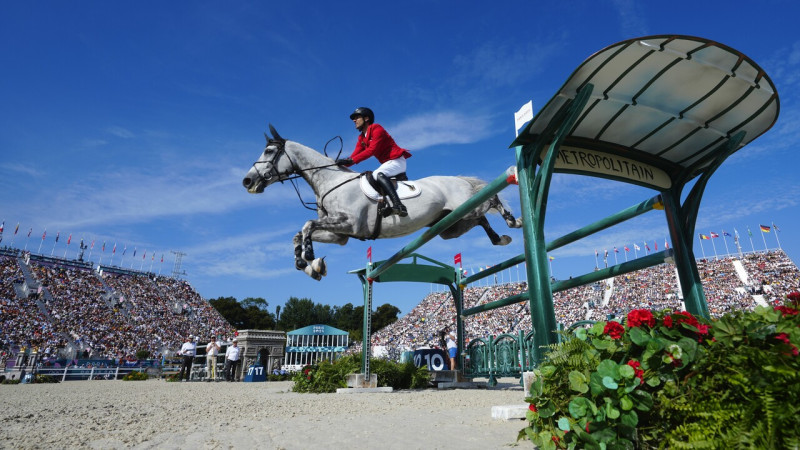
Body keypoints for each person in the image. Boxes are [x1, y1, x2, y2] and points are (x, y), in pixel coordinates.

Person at [337, 107, 412, 217]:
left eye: (357, 117)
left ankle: (399, 206)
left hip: (397, 160)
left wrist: (351, 160)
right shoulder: (361, 138)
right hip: (388, 163)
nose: (354, 120)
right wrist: (342, 164)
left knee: (377, 174)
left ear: (366, 118)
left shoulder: (376, 128)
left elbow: (372, 150)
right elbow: (355, 155)